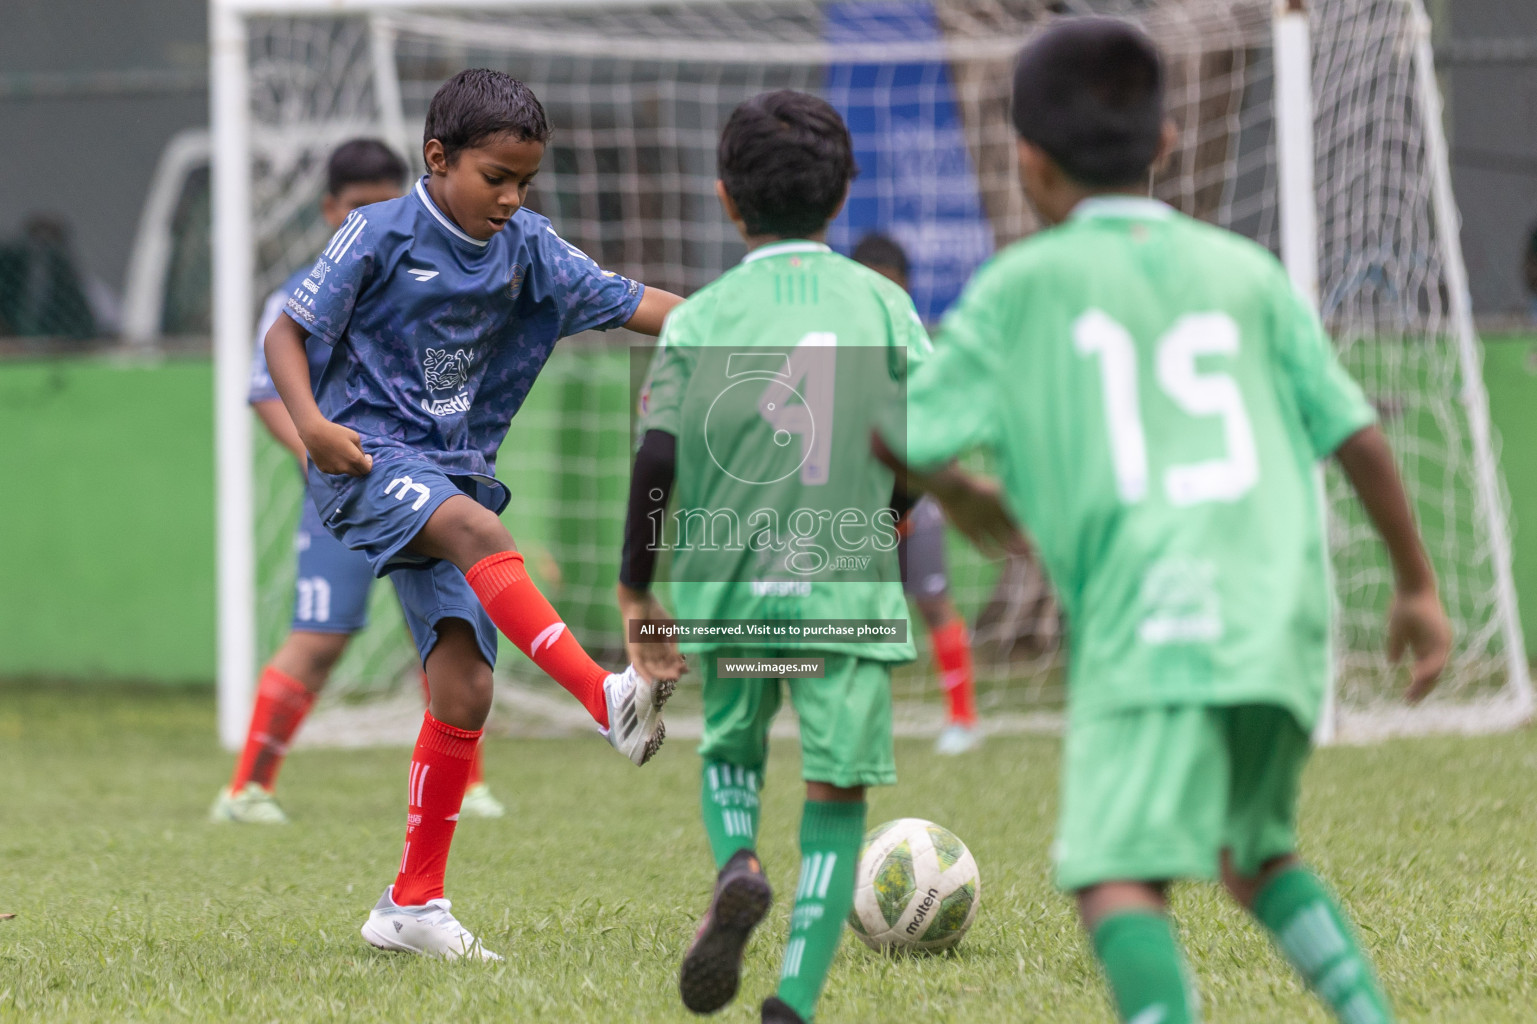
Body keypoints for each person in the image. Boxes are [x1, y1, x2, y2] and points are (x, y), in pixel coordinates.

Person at [876, 20, 1451, 1024]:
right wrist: (1414, 583)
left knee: (1115, 878)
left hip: (1147, 619)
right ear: (1168, 143)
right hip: (1276, 618)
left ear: (1026, 161)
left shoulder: (1022, 289)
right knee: (1256, 855)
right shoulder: (1246, 273)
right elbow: (1357, 435)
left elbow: (889, 429)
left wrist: (965, 497)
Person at [264, 69, 687, 960]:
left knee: (464, 686)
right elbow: (285, 334)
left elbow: (642, 305)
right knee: (480, 532)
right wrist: (310, 425)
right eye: (495, 176)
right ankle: (603, 696)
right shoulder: (376, 233)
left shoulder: (528, 248)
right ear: (437, 158)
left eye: (524, 182)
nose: (511, 196)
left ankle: (411, 906)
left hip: (452, 472)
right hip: (366, 463)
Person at [619, 90, 926, 1024]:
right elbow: (924, 436)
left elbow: (660, 454)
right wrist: (895, 514)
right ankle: (791, 998)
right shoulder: (884, 304)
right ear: (843, 197)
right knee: (834, 788)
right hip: (843, 592)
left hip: (734, 589)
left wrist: (638, 588)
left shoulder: (703, 318)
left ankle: (738, 865)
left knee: (736, 745)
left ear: (725, 197)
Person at [210, 138, 507, 825]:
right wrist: (317, 454)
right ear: (328, 211)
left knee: (449, 631)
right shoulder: (298, 296)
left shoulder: (426, 283)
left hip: (423, 489)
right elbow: (266, 391)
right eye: (356, 209)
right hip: (343, 499)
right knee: (319, 638)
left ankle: (468, 785)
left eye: (383, 205)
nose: (369, 220)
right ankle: (248, 788)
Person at [851, 232, 981, 755]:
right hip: (854, 507)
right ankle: (858, 722)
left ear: (905, 287)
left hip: (916, 502)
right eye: (872, 286)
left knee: (932, 600)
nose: (883, 295)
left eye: (891, 285)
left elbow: (935, 431)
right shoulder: (836, 350)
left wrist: (918, 496)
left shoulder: (915, 350)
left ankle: (963, 719)